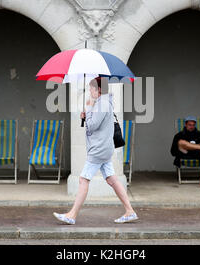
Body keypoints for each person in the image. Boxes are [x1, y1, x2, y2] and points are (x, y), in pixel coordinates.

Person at [53, 77, 138, 224]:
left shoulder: (101, 104)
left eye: (91, 89)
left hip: (98, 149)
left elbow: (92, 126)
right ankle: (130, 211)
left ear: (98, 90)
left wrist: (89, 109)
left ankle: (72, 215)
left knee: (83, 179)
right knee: (112, 179)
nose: (90, 92)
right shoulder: (104, 102)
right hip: (104, 148)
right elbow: (95, 122)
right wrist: (88, 114)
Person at [170, 116, 200, 189]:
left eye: (193, 125)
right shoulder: (179, 135)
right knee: (181, 142)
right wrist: (187, 146)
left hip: (197, 155)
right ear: (185, 125)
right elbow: (173, 152)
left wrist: (196, 147)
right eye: (190, 125)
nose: (191, 127)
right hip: (184, 154)